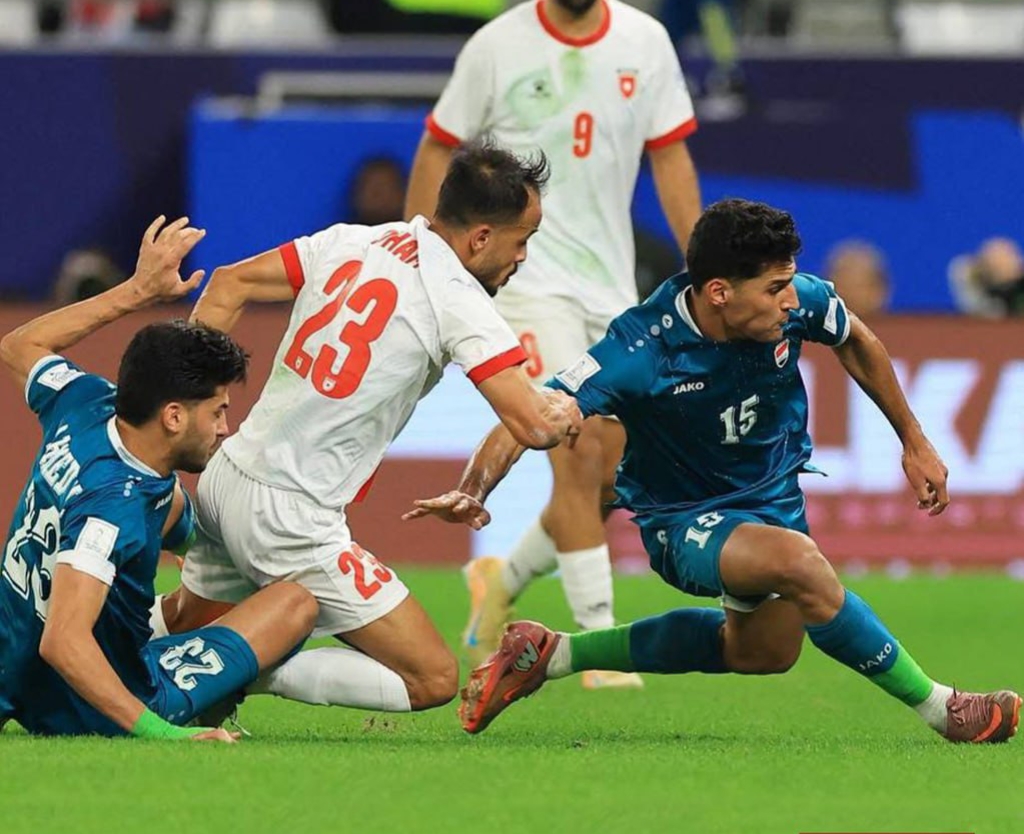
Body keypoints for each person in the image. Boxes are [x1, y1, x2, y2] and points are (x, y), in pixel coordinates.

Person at [406, 198, 1021, 743]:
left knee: (761, 652)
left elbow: (855, 338)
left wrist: (914, 439)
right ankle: (943, 708)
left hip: (773, 499)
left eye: (790, 282)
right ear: (720, 292)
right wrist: (473, 487)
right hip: (684, 521)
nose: (791, 299)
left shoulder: (795, 301)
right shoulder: (642, 349)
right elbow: (532, 410)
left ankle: (550, 653)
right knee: (800, 564)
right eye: (775, 288)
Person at [153, 140, 583, 719]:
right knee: (431, 677)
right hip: (291, 517)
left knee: (184, 621)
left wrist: (190, 401)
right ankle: (233, 674)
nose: (523, 256)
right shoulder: (458, 299)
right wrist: (563, 408)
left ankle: (69, 633)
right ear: (481, 237)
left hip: (229, 477)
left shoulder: (352, 240)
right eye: (522, 239)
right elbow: (531, 424)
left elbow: (229, 283)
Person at [404, 0, 702, 687]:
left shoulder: (646, 41)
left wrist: (705, 264)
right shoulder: (497, 45)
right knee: (576, 449)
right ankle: (597, 640)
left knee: (614, 477)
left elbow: (671, 158)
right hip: (527, 284)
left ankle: (500, 582)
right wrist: (419, 257)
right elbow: (438, 145)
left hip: (612, 289)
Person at [0, 216, 317, 741]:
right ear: (173, 416)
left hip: (12, 662)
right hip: (79, 703)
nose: (225, 427)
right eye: (217, 411)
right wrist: (167, 737)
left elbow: (18, 347)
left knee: (177, 508)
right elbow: (64, 642)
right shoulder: (112, 509)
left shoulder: (86, 402)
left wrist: (136, 291)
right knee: (296, 602)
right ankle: (211, 693)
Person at [824, 240, 890, 319]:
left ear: (879, 290)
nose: (849, 295)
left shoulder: (898, 325)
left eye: (857, 286)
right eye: (842, 286)